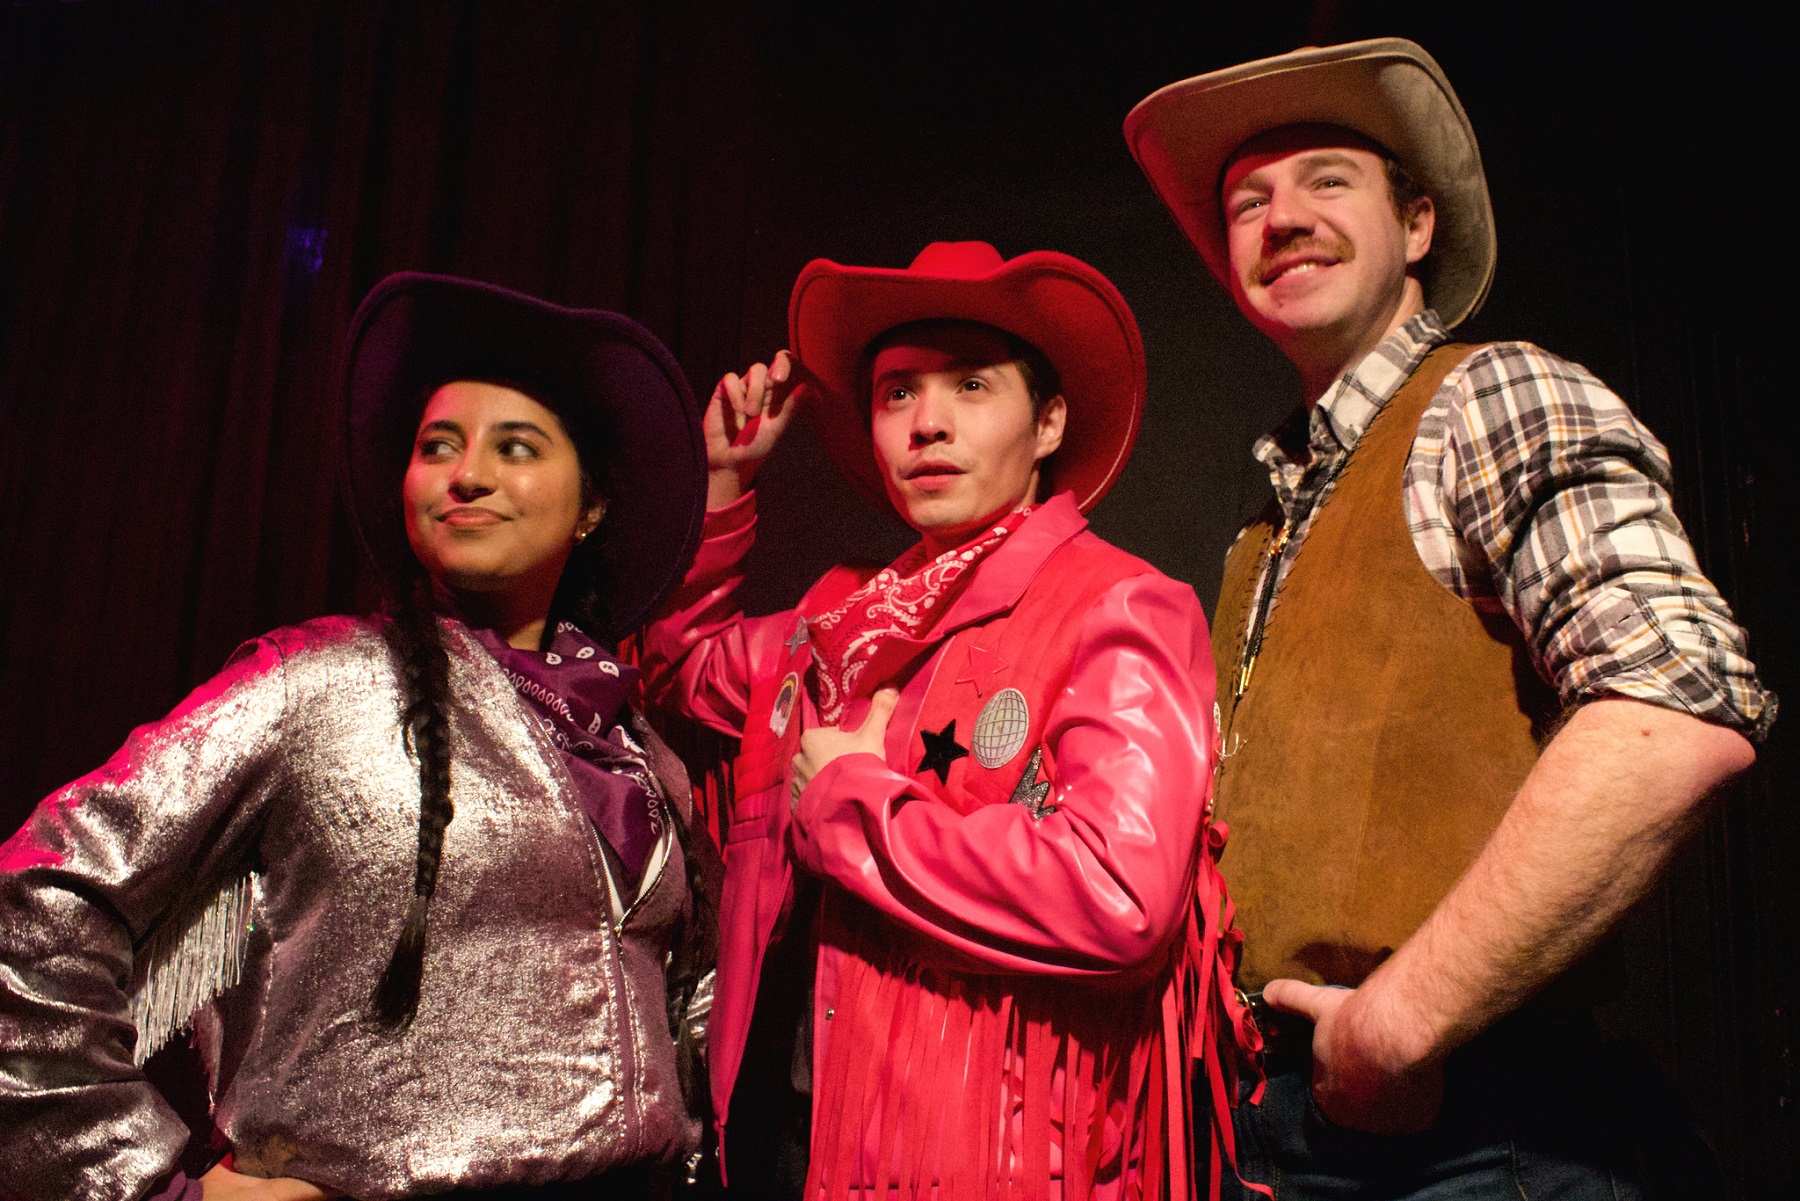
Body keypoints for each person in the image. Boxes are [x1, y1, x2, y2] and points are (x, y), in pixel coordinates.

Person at [1125, 38, 1774, 1198]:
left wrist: (1398, 1024)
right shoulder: (1267, 519)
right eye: (1247, 202)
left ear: (1417, 225)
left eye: (1328, 181)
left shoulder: (1489, 395)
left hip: (1475, 1138)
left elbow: (1677, 707)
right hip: (1285, 1129)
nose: (1282, 220)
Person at [0, 274, 718, 1200]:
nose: (467, 474)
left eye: (517, 447)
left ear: (591, 507)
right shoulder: (320, 683)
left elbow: (692, 1013)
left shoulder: (641, 753)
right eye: (438, 447)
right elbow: (37, 901)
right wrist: (145, 1179)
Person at [640, 240, 1248, 1200]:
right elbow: (674, 664)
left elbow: (1121, 894)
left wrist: (854, 804)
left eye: (971, 386)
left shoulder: (1119, 606)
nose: (928, 424)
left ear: (1047, 422)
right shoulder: (831, 622)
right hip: (780, 1146)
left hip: (979, 1167)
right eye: (896, 394)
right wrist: (721, 482)